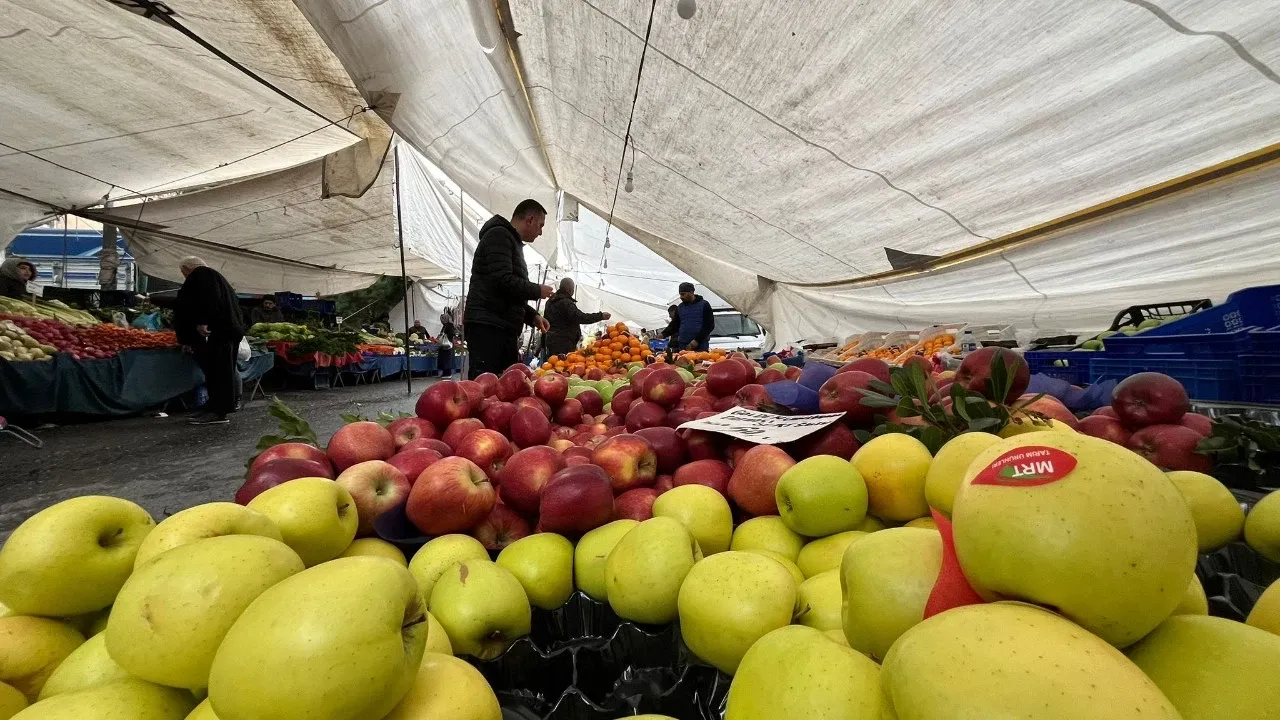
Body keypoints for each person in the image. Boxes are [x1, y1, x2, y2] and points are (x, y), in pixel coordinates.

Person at [464, 199, 553, 378]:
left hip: (500, 325)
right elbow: (502, 280)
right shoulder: (499, 236)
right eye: (540, 225)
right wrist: (537, 290)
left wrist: (532, 316)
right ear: (530, 219)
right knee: (487, 385)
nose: (541, 232)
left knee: (504, 385)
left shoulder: (510, 241)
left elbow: (507, 292)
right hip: (489, 326)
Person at [174, 257, 245, 425]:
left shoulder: (202, 274)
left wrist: (204, 320)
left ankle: (219, 411)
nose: (184, 276)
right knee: (218, 371)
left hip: (220, 331)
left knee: (219, 372)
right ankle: (214, 406)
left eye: (183, 272)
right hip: (227, 331)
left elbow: (208, 299)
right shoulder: (217, 277)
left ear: (187, 268)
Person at [543, 278, 610, 358]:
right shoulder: (566, 302)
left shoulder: (550, 302)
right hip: (564, 342)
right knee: (561, 365)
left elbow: (545, 321)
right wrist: (600, 316)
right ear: (570, 288)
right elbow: (580, 317)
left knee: (552, 364)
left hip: (551, 340)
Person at [674, 282, 715, 352]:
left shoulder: (704, 305)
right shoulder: (680, 307)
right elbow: (675, 325)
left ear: (691, 292)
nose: (681, 297)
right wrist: (664, 334)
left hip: (700, 345)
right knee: (683, 362)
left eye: (683, 294)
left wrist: (697, 340)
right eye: (680, 294)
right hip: (683, 345)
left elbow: (709, 325)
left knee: (700, 361)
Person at [437, 309, 458, 378]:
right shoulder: (445, 325)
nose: (441, 320)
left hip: (448, 345)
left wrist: (444, 335)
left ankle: (448, 373)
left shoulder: (450, 325)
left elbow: (451, 334)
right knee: (444, 359)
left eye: (442, 319)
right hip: (444, 345)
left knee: (447, 359)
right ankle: (444, 373)